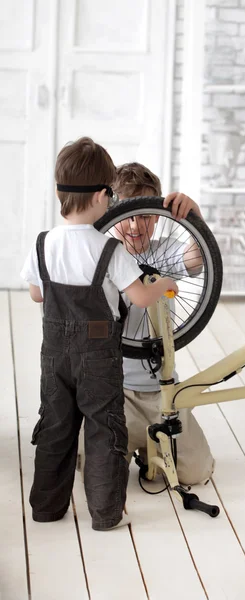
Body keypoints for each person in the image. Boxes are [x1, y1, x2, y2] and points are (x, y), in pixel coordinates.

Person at [20, 138, 178, 531]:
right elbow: (140, 298)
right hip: (99, 357)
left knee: (55, 427)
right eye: (110, 193)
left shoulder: (44, 243)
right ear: (98, 197)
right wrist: (163, 283)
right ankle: (106, 513)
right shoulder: (108, 249)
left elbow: (37, 293)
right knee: (104, 429)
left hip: (54, 355)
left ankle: (46, 508)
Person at [78, 161, 215, 486]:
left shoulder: (164, 252)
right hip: (115, 390)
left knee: (196, 473)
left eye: (146, 215)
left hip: (162, 391)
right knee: (94, 473)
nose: (137, 225)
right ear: (112, 212)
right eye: (129, 215)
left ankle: (151, 445)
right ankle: (135, 445)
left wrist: (195, 217)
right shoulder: (100, 255)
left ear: (157, 215)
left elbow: (198, 256)